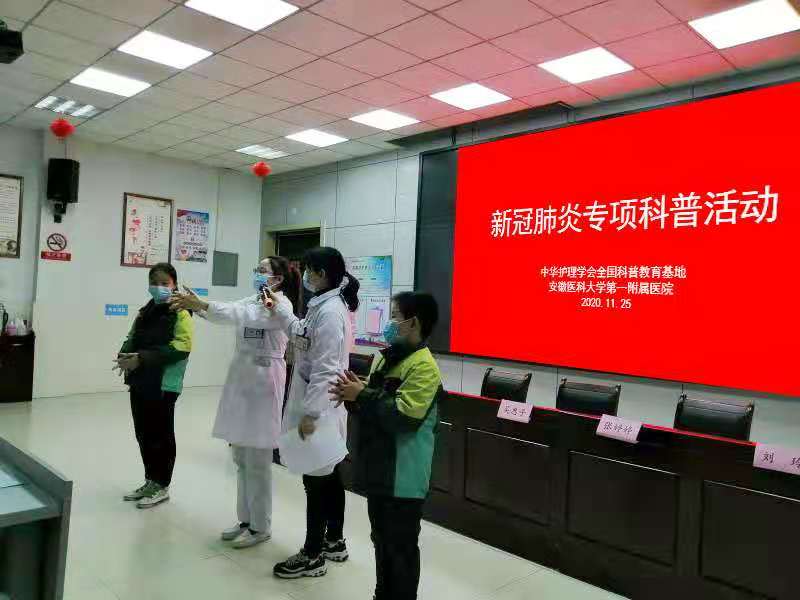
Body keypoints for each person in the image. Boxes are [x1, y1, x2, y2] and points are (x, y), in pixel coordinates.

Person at [168, 257, 301, 549]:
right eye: (257, 269)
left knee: (258, 461)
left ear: (278, 279)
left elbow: (241, 315)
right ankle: (245, 520)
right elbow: (229, 312)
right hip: (243, 378)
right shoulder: (253, 299)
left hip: (264, 380)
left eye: (262, 270)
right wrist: (198, 306)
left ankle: (260, 526)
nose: (257, 274)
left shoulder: (280, 304)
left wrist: (202, 304)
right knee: (241, 457)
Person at [330, 292, 443, 600]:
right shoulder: (386, 356)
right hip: (379, 468)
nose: (389, 322)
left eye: (395, 316)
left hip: (404, 476)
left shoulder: (424, 367)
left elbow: (403, 417)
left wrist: (362, 395)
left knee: (400, 547)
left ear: (413, 323)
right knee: (381, 540)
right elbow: (373, 404)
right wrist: (352, 395)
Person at [263, 246, 359, 579]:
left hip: (321, 410)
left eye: (308, 270)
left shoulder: (330, 312)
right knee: (328, 476)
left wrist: (311, 414)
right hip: (320, 407)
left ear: (321, 273)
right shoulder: (322, 306)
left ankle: (312, 554)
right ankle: (334, 541)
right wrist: (279, 310)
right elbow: (301, 332)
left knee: (315, 482)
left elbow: (327, 369)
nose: (304, 276)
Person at [114, 263, 194, 509]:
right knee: (144, 433)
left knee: (161, 435)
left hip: (164, 384)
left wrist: (142, 358)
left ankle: (162, 485)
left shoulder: (180, 312)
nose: (158, 287)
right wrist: (124, 355)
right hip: (140, 381)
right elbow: (132, 337)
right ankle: (150, 480)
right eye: (154, 282)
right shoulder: (145, 311)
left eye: (164, 283)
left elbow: (182, 347)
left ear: (174, 285)